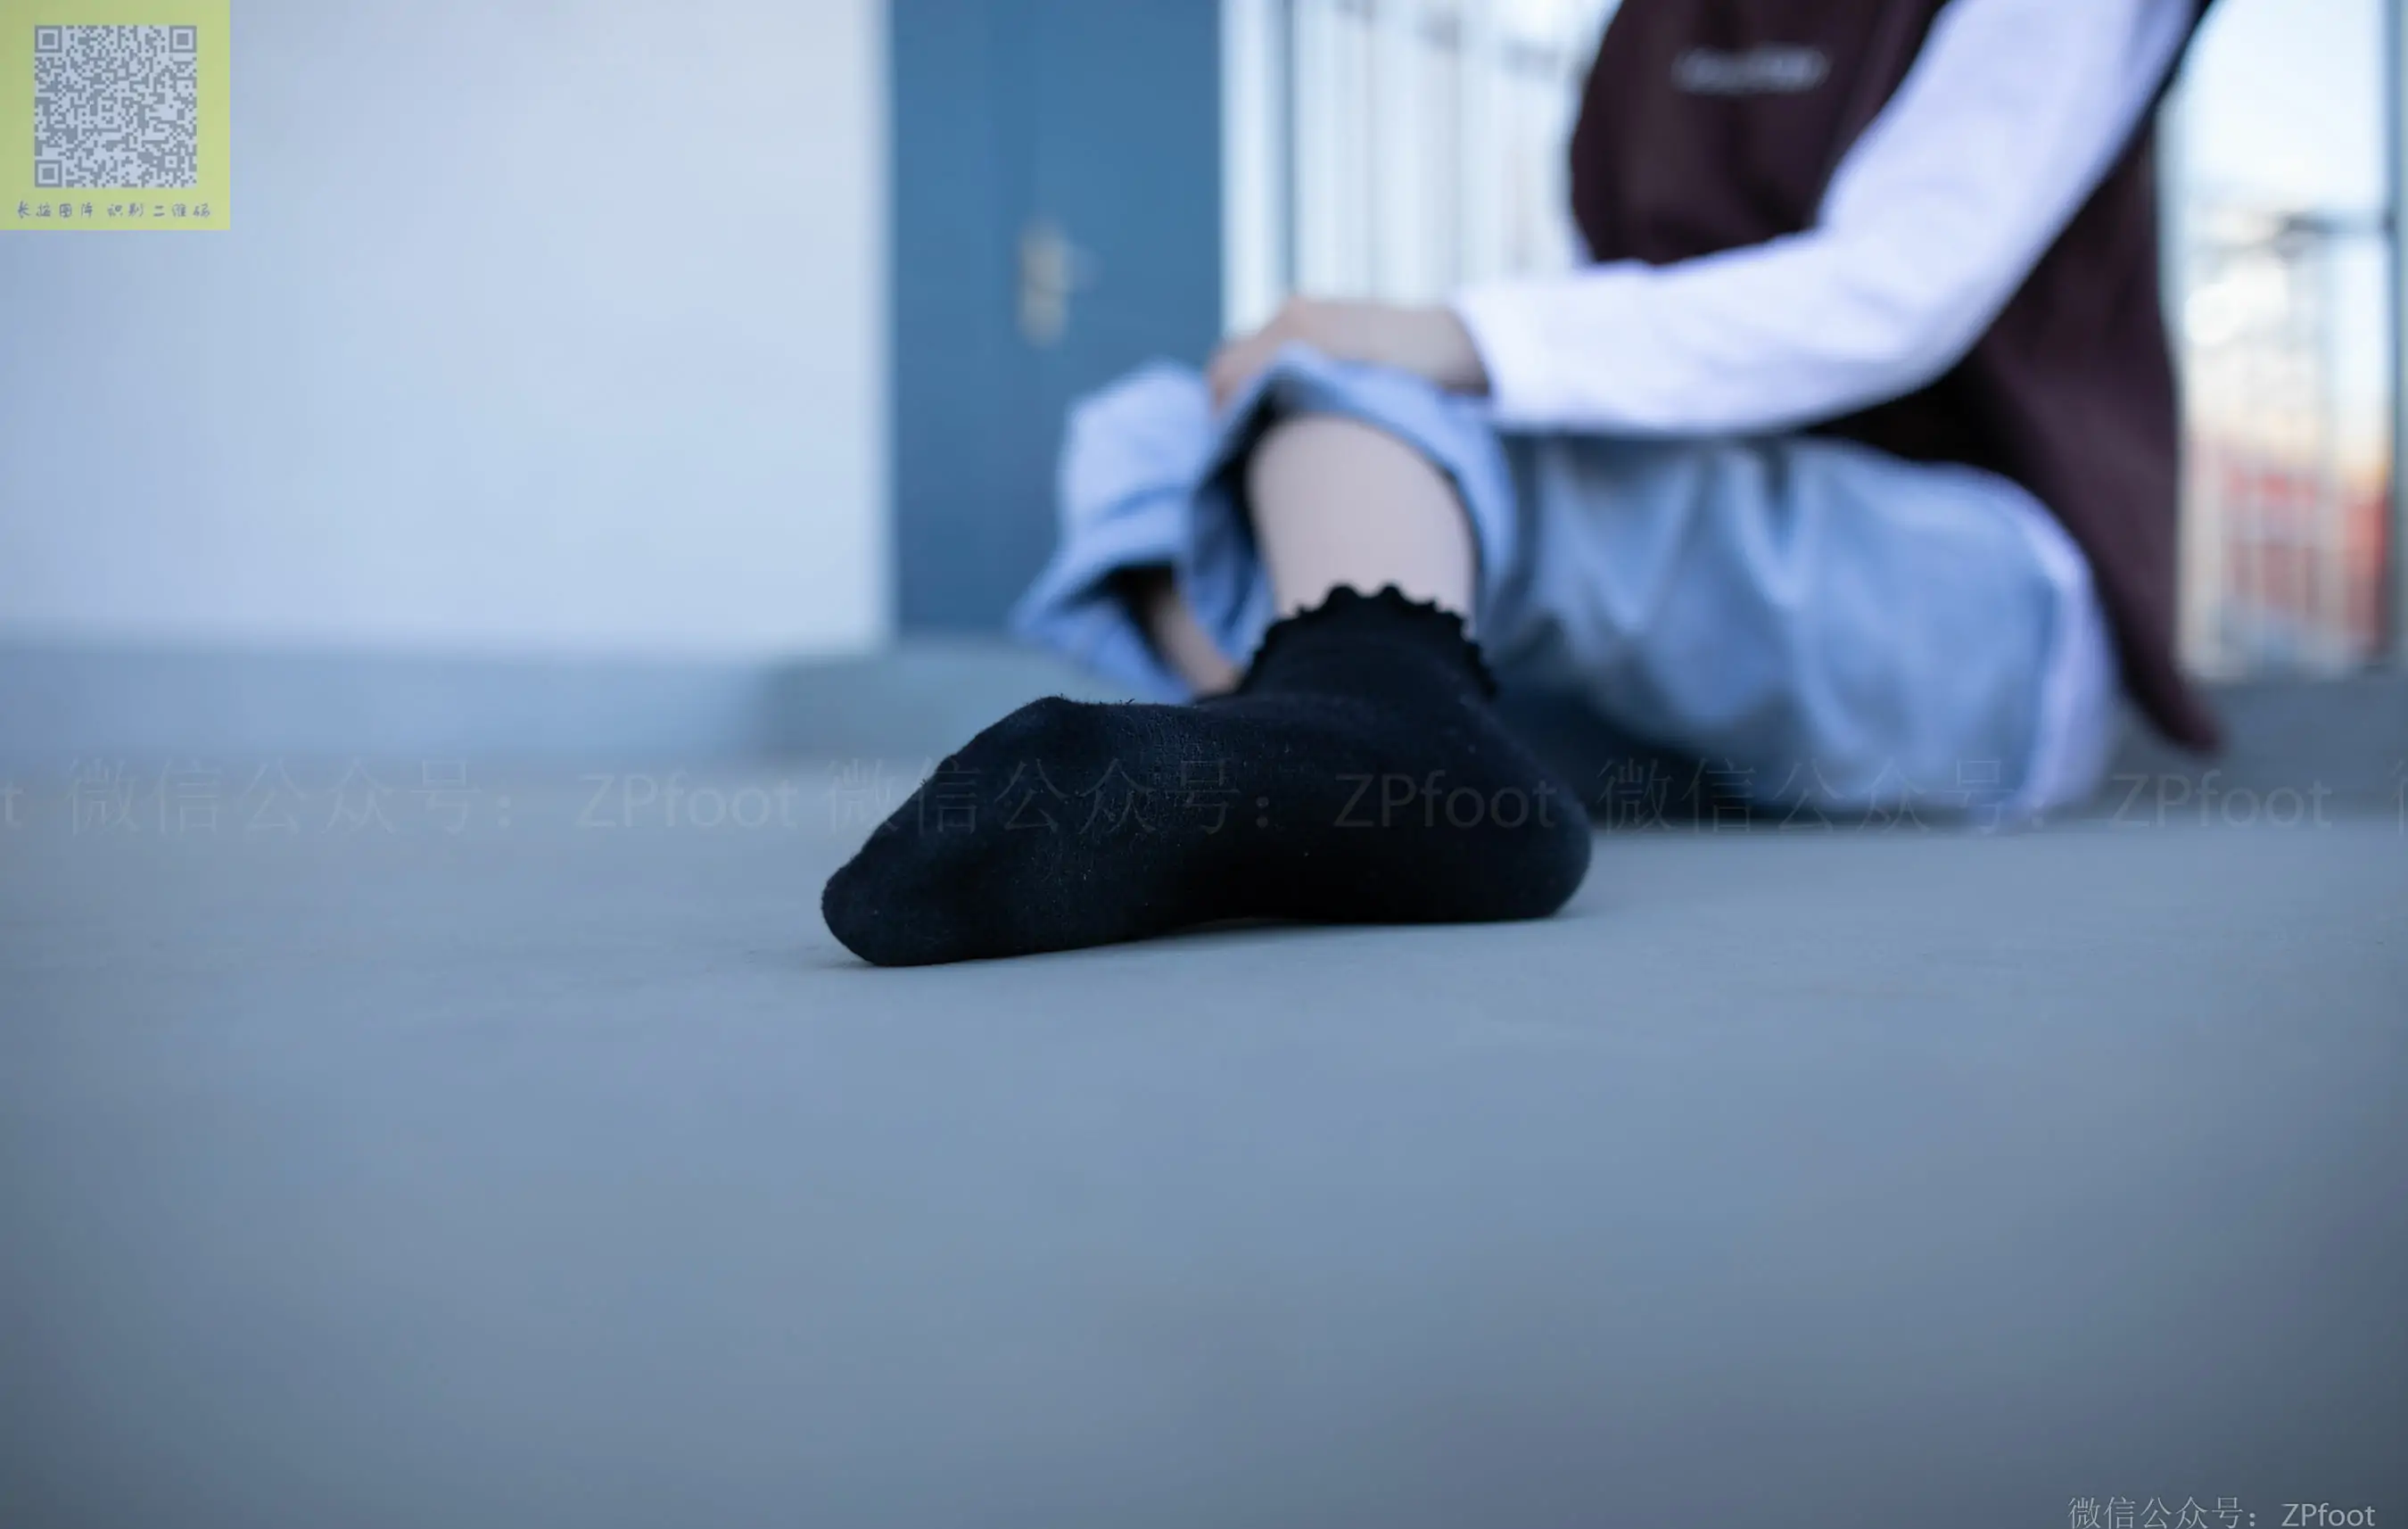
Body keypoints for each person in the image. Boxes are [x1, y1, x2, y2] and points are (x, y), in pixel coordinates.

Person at [824, 0, 2222, 967]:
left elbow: (1898, 291)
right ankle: (1309, 749)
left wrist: (1456, 339)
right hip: (1695, 696)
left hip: (1964, 624)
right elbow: (1624, 345)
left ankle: (1357, 739)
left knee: (1360, 395)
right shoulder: (1649, 31)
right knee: (1162, 422)